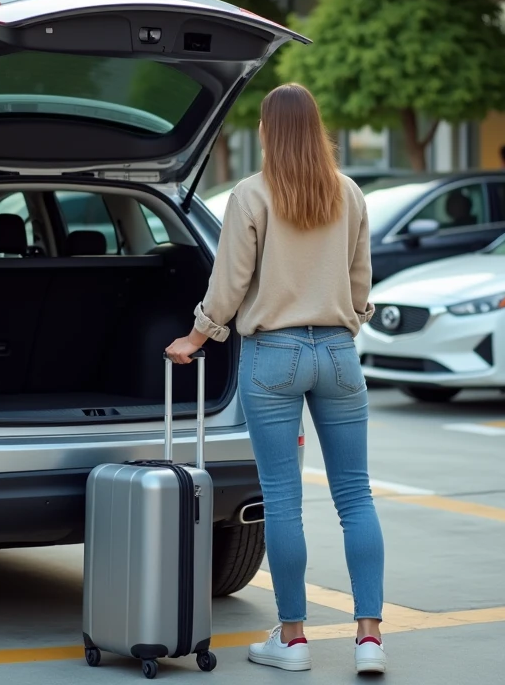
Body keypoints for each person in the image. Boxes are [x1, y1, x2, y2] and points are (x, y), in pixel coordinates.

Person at [165, 83, 386, 675]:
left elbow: (230, 281)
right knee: (355, 496)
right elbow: (361, 281)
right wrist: (347, 323)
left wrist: (198, 334)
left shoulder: (253, 194)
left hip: (275, 355)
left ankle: (293, 641)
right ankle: (369, 639)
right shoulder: (349, 192)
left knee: (284, 503)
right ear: (315, 129)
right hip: (339, 353)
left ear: (268, 131)